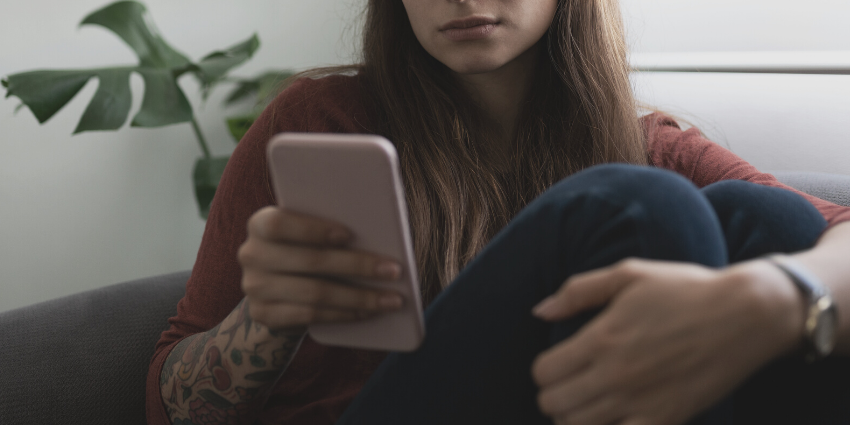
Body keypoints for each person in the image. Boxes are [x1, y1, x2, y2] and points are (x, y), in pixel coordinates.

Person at [146, 0, 850, 424]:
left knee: (774, 226)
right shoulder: (319, 122)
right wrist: (265, 319)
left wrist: (782, 297)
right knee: (645, 206)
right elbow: (169, 409)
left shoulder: (648, 144)